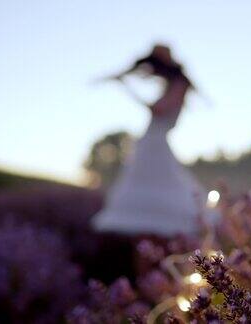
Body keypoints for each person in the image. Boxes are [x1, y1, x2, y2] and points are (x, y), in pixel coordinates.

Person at [92, 44, 216, 236]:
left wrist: (127, 89)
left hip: (155, 144)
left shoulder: (179, 85)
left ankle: (161, 246)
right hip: (149, 144)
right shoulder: (171, 84)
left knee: (162, 200)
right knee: (146, 201)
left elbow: (159, 109)